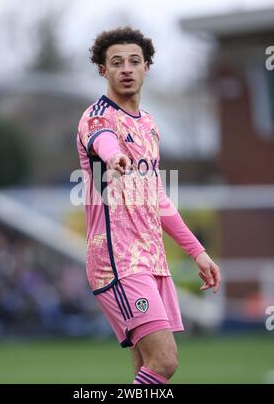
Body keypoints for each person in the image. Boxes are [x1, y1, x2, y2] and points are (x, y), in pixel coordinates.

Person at [76, 26, 221, 384]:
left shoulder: (150, 126)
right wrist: (113, 158)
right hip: (117, 260)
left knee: (149, 367)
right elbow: (104, 141)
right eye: (116, 62)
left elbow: (158, 198)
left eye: (134, 61)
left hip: (151, 259)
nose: (126, 68)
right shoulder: (96, 117)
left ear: (146, 68)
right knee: (165, 361)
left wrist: (197, 252)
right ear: (102, 70)